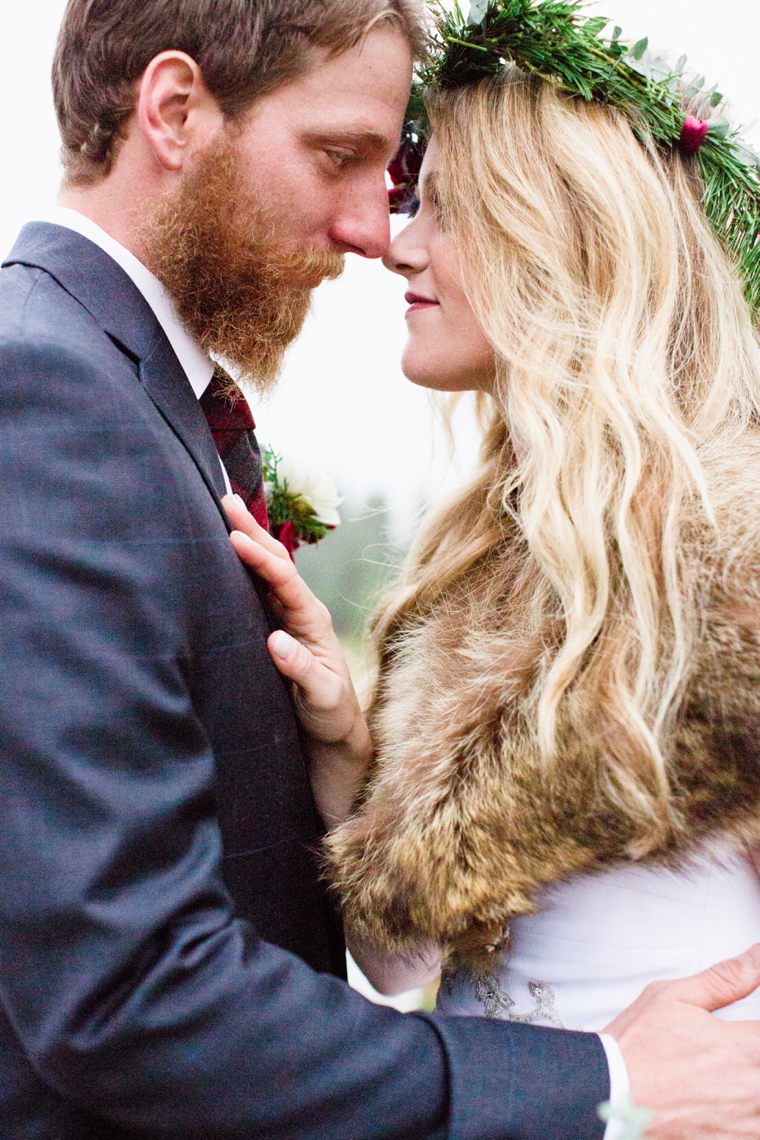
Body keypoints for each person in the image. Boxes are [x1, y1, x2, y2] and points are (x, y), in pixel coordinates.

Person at [2, 0, 760, 1137]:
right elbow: (400, 952)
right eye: (344, 158)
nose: (385, 234)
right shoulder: (464, 577)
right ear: (171, 112)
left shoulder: (729, 555)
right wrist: (363, 777)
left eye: (432, 200)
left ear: (561, 238)